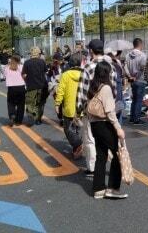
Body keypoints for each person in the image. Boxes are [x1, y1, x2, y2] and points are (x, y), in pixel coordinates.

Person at [87, 61, 127, 200]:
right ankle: (112, 188)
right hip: (104, 125)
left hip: (94, 125)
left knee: (101, 155)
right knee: (117, 155)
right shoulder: (106, 89)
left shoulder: (93, 86)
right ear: (107, 73)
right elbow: (110, 112)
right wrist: (118, 128)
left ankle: (98, 189)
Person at [77, 39, 117, 177]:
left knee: (90, 138)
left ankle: (93, 168)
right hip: (107, 108)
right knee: (107, 137)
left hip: (91, 109)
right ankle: (112, 163)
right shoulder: (110, 67)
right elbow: (115, 89)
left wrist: (79, 109)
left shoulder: (88, 67)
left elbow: (82, 91)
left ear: (91, 51)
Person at [54, 52, 84, 159]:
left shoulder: (66, 75)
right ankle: (77, 150)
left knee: (68, 130)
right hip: (81, 108)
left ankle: (78, 144)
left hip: (69, 107)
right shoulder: (84, 74)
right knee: (76, 129)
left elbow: (60, 91)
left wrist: (57, 104)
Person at [23, 47, 48, 125]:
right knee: (41, 103)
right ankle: (38, 119)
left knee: (30, 102)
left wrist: (26, 80)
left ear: (31, 53)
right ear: (38, 54)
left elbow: (24, 75)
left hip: (31, 86)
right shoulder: (42, 62)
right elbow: (45, 73)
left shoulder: (27, 62)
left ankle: (31, 115)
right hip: (42, 85)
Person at [125, 38, 147, 125]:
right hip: (140, 80)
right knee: (139, 100)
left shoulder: (127, 55)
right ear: (140, 45)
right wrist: (136, 76)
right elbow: (142, 68)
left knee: (134, 99)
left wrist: (129, 76)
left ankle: (132, 117)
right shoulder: (142, 55)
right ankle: (136, 119)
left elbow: (125, 67)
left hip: (131, 80)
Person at [4, 55, 26, 126]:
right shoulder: (21, 67)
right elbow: (25, 76)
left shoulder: (7, 67)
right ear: (19, 60)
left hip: (11, 88)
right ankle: (19, 121)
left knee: (11, 103)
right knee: (21, 104)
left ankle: (12, 115)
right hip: (21, 87)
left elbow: (4, 76)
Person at [106, 48, 126, 124]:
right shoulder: (116, 64)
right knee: (118, 110)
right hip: (116, 91)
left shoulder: (111, 64)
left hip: (113, 92)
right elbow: (122, 75)